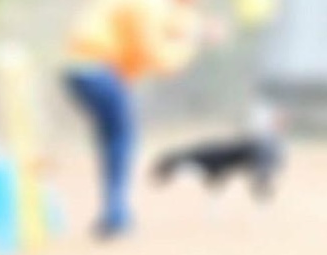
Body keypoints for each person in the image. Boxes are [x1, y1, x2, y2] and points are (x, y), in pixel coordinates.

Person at [64, 0, 221, 237]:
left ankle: (115, 212)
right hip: (96, 69)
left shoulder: (156, 8)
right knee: (121, 138)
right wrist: (194, 38)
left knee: (113, 137)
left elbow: (174, 26)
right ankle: (116, 214)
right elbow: (162, 59)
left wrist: (194, 30)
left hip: (84, 69)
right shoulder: (150, 7)